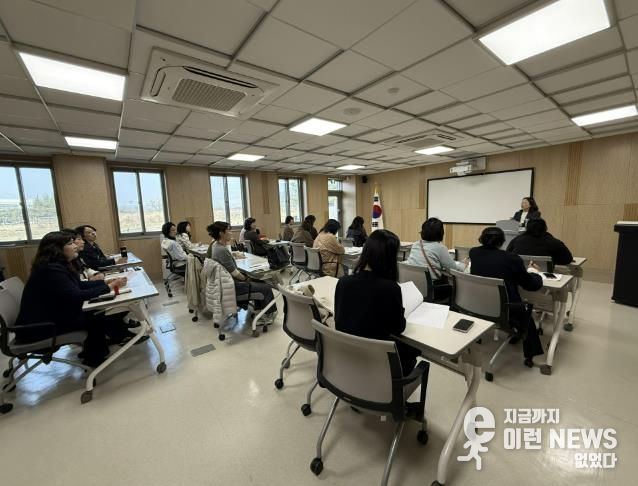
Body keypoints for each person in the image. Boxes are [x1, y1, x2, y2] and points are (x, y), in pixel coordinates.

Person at [14, 232, 128, 367]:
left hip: (48, 319)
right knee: (95, 317)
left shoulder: (58, 266)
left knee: (96, 313)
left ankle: (95, 352)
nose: (75, 246)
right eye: (70, 243)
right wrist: (109, 287)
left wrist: (105, 283)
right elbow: (77, 295)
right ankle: (94, 359)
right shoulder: (51, 270)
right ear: (56, 250)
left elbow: (79, 285)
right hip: (41, 328)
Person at [334, 229, 421, 374]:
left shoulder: (343, 282)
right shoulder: (390, 288)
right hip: (379, 365)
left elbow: (339, 320)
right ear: (391, 258)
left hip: (348, 356)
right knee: (414, 350)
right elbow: (398, 328)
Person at [469, 227, 545, 366]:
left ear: (482, 238)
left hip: (479, 306)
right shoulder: (511, 258)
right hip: (506, 309)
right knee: (526, 313)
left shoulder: (474, 252)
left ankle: (516, 334)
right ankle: (530, 355)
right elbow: (530, 285)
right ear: (502, 241)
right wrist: (535, 273)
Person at [207, 221, 276, 320]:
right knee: (266, 287)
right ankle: (268, 315)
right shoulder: (222, 250)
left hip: (224, 284)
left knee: (258, 281)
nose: (231, 233)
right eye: (228, 231)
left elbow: (227, 262)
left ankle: (259, 310)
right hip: (232, 286)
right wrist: (246, 279)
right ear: (221, 233)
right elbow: (235, 273)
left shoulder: (215, 245)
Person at [506, 218, 573, 265]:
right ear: (545, 228)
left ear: (527, 228)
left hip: (520, 275)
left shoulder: (517, 240)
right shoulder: (553, 242)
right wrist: (553, 261)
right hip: (545, 277)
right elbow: (568, 259)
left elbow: (507, 255)